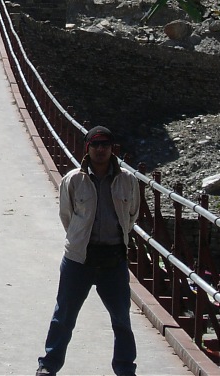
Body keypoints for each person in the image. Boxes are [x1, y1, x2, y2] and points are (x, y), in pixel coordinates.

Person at [36, 126, 140, 376]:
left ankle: (125, 369)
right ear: (87, 148)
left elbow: (132, 214)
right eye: (95, 144)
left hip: (114, 260)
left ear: (112, 148)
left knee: (121, 320)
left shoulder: (128, 180)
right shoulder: (73, 180)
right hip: (79, 260)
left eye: (105, 144)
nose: (101, 149)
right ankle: (48, 366)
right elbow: (66, 215)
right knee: (63, 317)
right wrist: (80, 239)